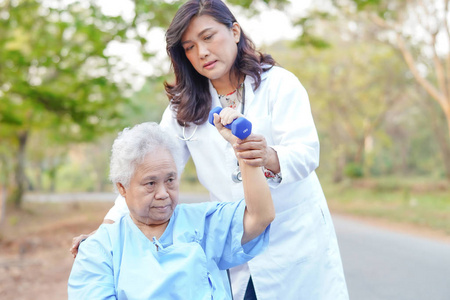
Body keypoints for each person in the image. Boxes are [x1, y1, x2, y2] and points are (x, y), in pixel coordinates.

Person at [71, 0, 349, 299]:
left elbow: (306, 152)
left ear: (235, 31)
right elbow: (148, 171)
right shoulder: (185, 106)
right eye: (189, 47)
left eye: (208, 37)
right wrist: (106, 232)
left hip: (294, 238)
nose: (201, 52)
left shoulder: (279, 84)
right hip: (232, 238)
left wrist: (266, 155)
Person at [68, 121, 275, 299]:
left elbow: (259, 216)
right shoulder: (99, 250)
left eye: (170, 180)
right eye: (150, 183)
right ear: (122, 187)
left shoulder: (203, 222)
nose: (163, 193)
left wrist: (245, 152)